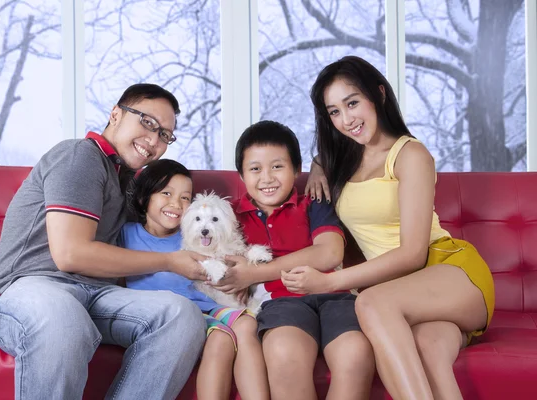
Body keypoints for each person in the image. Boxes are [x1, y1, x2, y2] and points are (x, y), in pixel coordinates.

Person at [0, 84, 208, 400]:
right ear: (115, 114)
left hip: (96, 294)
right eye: (147, 123)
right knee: (61, 319)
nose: (154, 141)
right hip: (28, 289)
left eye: (165, 135)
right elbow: (71, 254)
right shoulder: (79, 155)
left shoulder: (125, 180)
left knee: (181, 315)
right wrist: (170, 261)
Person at [284, 55, 495, 400]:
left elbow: (413, 254)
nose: (346, 119)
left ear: (378, 94)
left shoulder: (411, 155)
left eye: (352, 103)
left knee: (369, 303)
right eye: (334, 111)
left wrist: (330, 281)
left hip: (448, 271)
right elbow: (324, 160)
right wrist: (319, 164)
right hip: (405, 298)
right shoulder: (343, 161)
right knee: (427, 349)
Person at [210, 120, 375, 400]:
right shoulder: (229, 215)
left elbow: (329, 252)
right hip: (279, 304)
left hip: (334, 296)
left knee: (355, 353)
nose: (267, 178)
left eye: (277, 166)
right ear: (241, 175)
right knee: (284, 352)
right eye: (255, 169)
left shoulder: (313, 203)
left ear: (297, 170)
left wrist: (255, 273)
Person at [119, 158, 270, 400]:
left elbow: (226, 260)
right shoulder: (126, 234)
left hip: (209, 305)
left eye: (185, 198)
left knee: (246, 323)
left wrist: (241, 281)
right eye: (166, 193)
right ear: (143, 198)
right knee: (220, 338)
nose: (176, 204)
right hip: (173, 313)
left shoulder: (192, 235)